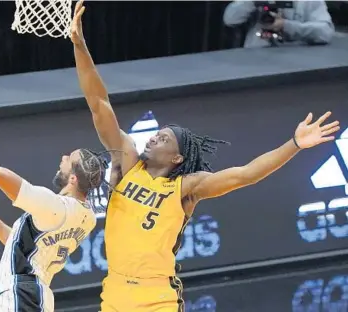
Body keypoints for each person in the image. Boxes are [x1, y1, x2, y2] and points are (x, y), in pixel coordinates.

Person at [70, 1, 340, 311]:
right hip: (114, 291)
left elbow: (246, 174)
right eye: (158, 133)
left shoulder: (186, 187)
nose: (156, 135)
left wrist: (294, 143)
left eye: (165, 138)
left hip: (156, 298)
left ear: (177, 159)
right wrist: (80, 46)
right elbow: (98, 103)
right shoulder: (127, 163)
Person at [0, 109, 107, 312]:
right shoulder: (87, 217)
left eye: (69, 159)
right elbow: (19, 245)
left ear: (73, 179)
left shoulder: (55, 207)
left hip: (22, 295)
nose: (63, 157)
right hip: (23, 294)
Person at [223, 0, 334, 48]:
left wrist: (286, 26)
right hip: (255, 59)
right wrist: (252, 2)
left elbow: (325, 33)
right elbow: (230, 20)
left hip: (294, 61)